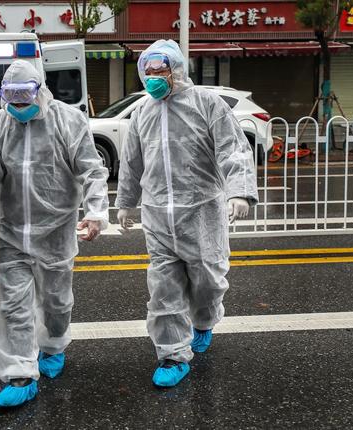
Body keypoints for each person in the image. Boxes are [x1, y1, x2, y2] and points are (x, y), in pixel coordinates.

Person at [115, 40, 258, 388]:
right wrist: (125, 202)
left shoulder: (206, 104)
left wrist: (238, 191)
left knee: (208, 280)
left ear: (176, 69)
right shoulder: (141, 113)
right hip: (159, 216)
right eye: (147, 72)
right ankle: (172, 354)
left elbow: (233, 148)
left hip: (201, 213)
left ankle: (205, 320)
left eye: (159, 70)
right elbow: (132, 163)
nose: (152, 77)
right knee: (163, 289)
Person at [0, 60, 109, 408]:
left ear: (41, 90)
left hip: (56, 231)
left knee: (56, 302)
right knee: (14, 306)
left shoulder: (68, 120)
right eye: (11, 97)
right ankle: (20, 374)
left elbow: (91, 170)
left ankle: (53, 344)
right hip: (10, 232)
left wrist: (95, 212)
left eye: (25, 95)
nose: (18, 105)